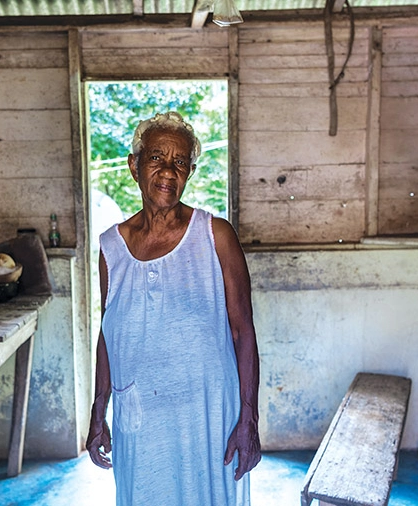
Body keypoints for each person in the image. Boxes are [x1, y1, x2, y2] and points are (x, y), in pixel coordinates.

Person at [86, 111, 261, 506]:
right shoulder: (111, 247)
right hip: (141, 417)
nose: (168, 170)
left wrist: (249, 418)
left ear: (190, 173)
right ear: (134, 166)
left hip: (207, 416)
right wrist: (99, 411)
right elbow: (108, 335)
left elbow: (243, 332)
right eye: (156, 158)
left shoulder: (215, 235)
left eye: (180, 161)